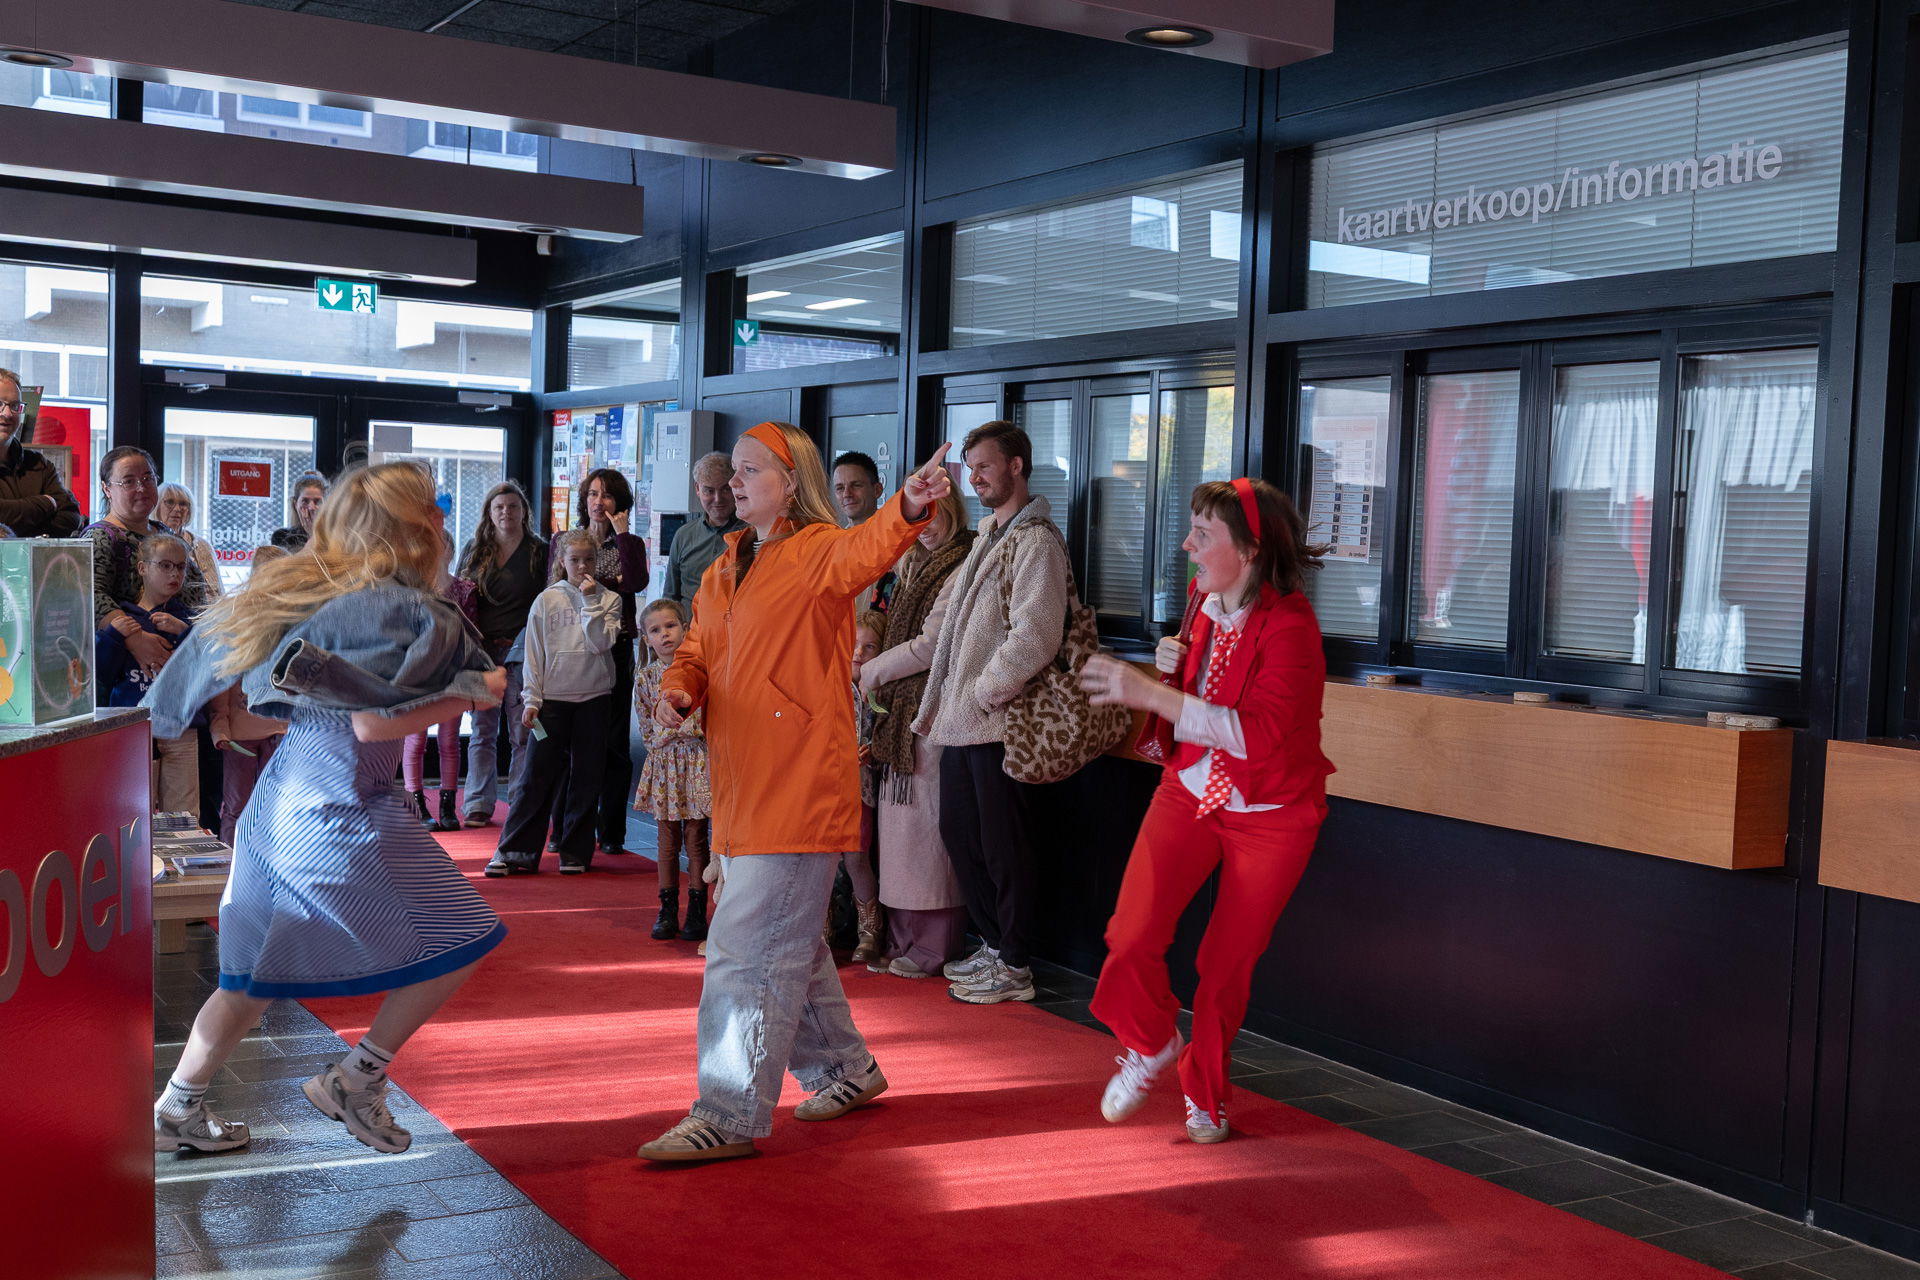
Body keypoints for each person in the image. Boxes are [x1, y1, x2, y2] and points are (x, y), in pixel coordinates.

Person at [142, 461, 507, 1157]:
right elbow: (373, 727)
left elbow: (225, 709)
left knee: (250, 978)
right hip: (343, 810)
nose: (442, 518)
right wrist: (474, 691)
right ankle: (356, 1077)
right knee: (464, 937)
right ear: (414, 526)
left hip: (284, 806)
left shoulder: (303, 593)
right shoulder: (405, 610)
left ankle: (175, 1109)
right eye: (433, 508)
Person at [636, 421, 952, 1163]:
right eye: (732, 472)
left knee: (744, 954)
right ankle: (847, 1070)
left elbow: (866, 546)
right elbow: (694, 650)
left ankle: (729, 1110)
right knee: (788, 945)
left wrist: (906, 504)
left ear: (790, 480)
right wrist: (679, 690)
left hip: (798, 789)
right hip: (746, 792)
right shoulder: (722, 568)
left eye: (750, 471)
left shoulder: (815, 552)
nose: (734, 482)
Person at [1078, 478, 1334, 1145]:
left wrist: (1151, 694)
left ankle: (1206, 1093)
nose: (1188, 544)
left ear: (1249, 551)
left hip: (1271, 811)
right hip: (1191, 787)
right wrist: (1174, 663)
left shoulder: (1294, 626)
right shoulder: (1202, 597)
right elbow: (1202, 687)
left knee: (1224, 970)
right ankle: (1150, 1041)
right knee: (1130, 935)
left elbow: (1258, 734)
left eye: (1203, 534)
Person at [913, 421, 1071, 1007]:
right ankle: (996, 944)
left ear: (1017, 467)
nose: (973, 477)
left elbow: (1036, 635)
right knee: (963, 837)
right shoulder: (991, 534)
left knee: (1005, 847)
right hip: (965, 720)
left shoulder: (1036, 541)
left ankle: (1016, 962)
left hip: (999, 722)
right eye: (970, 467)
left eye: (984, 466)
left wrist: (983, 691)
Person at [857, 484, 976, 979]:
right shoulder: (909, 564)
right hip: (898, 717)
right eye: (917, 517)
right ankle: (902, 939)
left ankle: (932, 947)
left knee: (927, 840)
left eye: (934, 515)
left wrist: (870, 672)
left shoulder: (964, 561)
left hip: (933, 710)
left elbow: (931, 645)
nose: (925, 526)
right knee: (899, 838)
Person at [488, 529, 623, 877]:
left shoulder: (609, 599)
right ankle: (515, 850)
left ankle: (575, 852)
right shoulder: (546, 601)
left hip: (594, 700)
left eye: (589, 559)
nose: (582, 566)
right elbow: (534, 656)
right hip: (552, 703)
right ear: (562, 562)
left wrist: (591, 601)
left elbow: (599, 644)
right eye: (575, 560)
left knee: (587, 777)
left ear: (598, 561)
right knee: (535, 775)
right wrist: (531, 700)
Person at [549, 468, 649, 858]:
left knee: (613, 746)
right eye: (592, 494)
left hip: (615, 647)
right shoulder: (563, 539)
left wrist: (621, 539)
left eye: (606, 495)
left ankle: (612, 833)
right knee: (570, 744)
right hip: (571, 646)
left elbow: (637, 582)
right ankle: (566, 828)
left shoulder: (630, 542)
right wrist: (613, 582)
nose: (598, 502)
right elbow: (557, 584)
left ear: (619, 502)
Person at [456, 481, 547, 827]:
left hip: (524, 652)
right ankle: (478, 801)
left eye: (512, 506)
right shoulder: (475, 549)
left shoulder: (538, 551)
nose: (506, 512)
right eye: (499, 508)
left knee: (523, 731)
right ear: (489, 514)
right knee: (482, 730)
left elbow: (545, 602)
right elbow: (461, 598)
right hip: (482, 652)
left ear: (524, 512)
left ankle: (522, 800)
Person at [89, 447, 214, 686]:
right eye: (128, 481)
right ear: (107, 489)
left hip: (183, 660)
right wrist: (135, 638)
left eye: (148, 478)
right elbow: (90, 596)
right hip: (129, 676)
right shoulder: (101, 537)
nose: (141, 487)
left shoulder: (167, 533)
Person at [95, 532, 199, 814]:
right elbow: (102, 673)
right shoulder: (124, 618)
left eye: (180, 567)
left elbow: (207, 670)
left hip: (180, 725)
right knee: (133, 808)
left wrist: (184, 633)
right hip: (134, 724)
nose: (173, 573)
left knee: (184, 811)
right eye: (164, 565)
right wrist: (114, 637)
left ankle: (179, 857)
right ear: (143, 568)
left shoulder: (190, 620)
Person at [633, 597, 711, 941]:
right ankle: (667, 909)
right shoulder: (646, 678)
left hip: (696, 763)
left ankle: (697, 910)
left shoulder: (703, 674)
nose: (664, 634)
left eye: (670, 626)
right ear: (646, 638)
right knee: (666, 841)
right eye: (655, 630)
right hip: (665, 766)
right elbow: (648, 731)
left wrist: (686, 732)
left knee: (696, 839)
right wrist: (674, 734)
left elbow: (706, 723)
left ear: (685, 629)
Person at [208, 546, 290, 847]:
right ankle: (230, 865)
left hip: (278, 729)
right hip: (241, 733)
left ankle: (271, 861)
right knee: (236, 804)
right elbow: (223, 679)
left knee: (274, 804)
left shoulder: (292, 620)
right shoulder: (237, 617)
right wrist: (220, 726)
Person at [403, 531, 476, 833]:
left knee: (449, 740)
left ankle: (448, 805)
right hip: (419, 673)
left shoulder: (464, 588)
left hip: (453, 671)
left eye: (442, 546)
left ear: (450, 551)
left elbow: (472, 631)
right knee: (416, 739)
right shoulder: (411, 588)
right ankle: (416, 803)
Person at [831, 609, 887, 966]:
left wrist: (875, 751)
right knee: (820, 861)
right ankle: (821, 928)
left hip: (860, 789)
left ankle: (871, 930)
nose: (858, 653)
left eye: (869, 647)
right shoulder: (828, 684)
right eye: (853, 644)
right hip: (823, 789)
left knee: (856, 858)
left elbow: (890, 736)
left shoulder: (880, 692)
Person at [0, 367, 80, 538]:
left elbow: (70, 518)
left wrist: (13, 526)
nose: (7, 413)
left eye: (15, 406)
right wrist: (46, 503)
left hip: (35, 564)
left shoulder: (39, 464)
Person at [663, 452, 746, 611]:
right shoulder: (683, 535)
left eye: (725, 489)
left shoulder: (752, 533)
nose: (718, 499)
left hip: (733, 630)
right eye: (709, 491)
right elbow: (670, 597)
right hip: (690, 631)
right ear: (697, 489)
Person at [157, 482, 223, 598]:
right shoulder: (150, 544)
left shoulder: (202, 545)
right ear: (157, 506)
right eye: (170, 502)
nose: (177, 509)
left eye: (183, 504)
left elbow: (218, 591)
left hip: (210, 612)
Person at [270, 473, 328, 551]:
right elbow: (290, 563)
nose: (311, 507)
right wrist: (312, 536)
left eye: (317, 501)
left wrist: (315, 533)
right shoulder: (281, 536)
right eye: (305, 501)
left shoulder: (334, 537)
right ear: (295, 504)